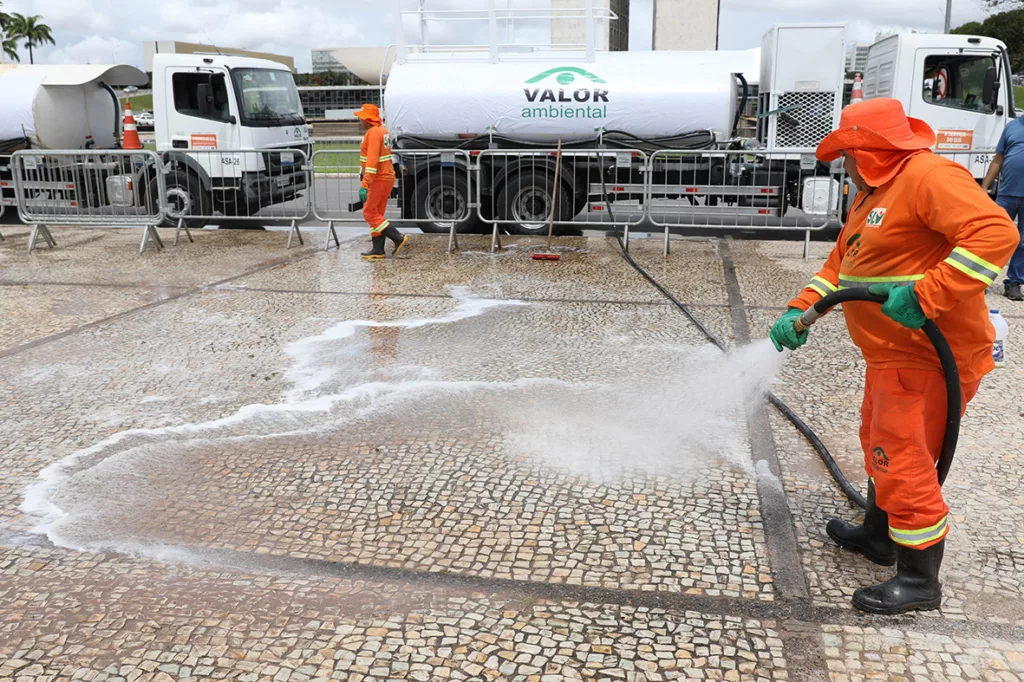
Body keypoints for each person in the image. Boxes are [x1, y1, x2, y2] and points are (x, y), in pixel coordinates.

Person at [770, 98, 1019, 615]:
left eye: (849, 154)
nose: (844, 164)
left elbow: (997, 234)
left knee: (903, 460)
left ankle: (919, 580)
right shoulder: (871, 194)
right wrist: (800, 312)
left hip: (929, 355)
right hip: (890, 356)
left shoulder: (929, 176)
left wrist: (928, 294)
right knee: (879, 442)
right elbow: (842, 265)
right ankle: (878, 536)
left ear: (869, 151)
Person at [354, 103, 408, 260]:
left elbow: (371, 162)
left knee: (369, 213)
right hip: (386, 177)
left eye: (361, 118)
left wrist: (365, 184)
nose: (360, 121)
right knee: (377, 213)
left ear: (367, 120)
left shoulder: (373, 133)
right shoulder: (383, 131)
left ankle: (397, 237)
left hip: (378, 178)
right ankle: (378, 249)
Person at [982, 116, 1024, 300]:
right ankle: (981, 280)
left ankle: (1014, 283)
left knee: (1023, 242)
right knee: (993, 237)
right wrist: (984, 188)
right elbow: (998, 160)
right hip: (1006, 194)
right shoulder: (1012, 127)